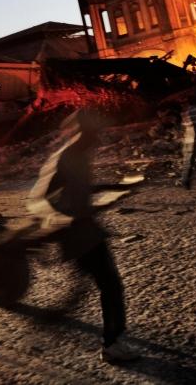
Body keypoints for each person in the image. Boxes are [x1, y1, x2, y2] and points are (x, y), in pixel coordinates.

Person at [27, 109, 137, 364]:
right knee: (109, 284)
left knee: (100, 284)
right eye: (93, 134)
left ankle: (58, 319)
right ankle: (111, 344)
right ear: (81, 133)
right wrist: (64, 219)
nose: (97, 139)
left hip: (86, 230)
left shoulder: (79, 156)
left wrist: (116, 187)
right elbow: (37, 199)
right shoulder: (63, 158)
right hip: (76, 233)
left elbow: (82, 189)